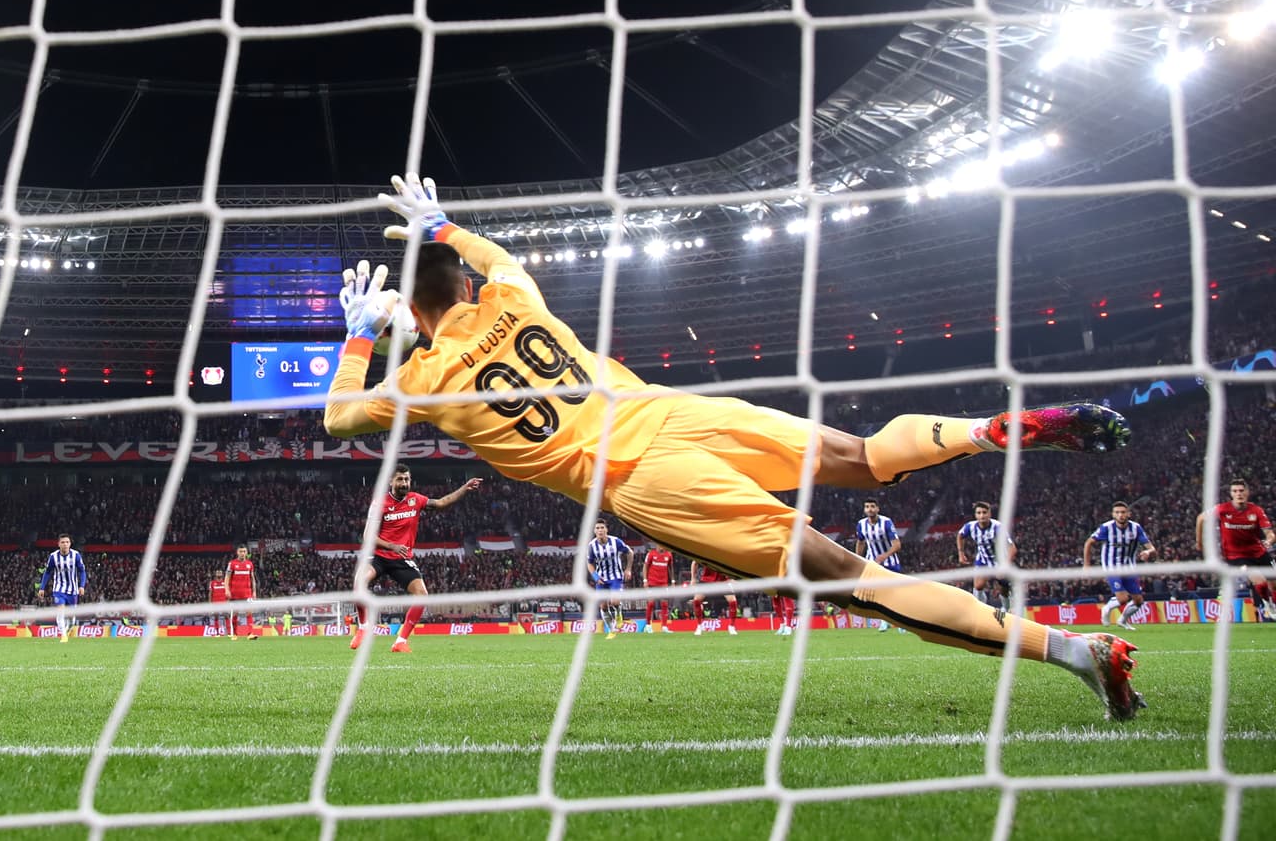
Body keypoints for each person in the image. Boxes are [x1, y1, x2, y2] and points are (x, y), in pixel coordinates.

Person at [323, 173, 1144, 720]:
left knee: (858, 579)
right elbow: (494, 257)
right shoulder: (513, 294)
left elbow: (336, 419)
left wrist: (358, 338)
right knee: (861, 455)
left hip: (646, 479)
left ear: (411, 324)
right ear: (465, 286)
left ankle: (1079, 650)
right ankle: (982, 431)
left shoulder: (421, 383)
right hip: (675, 411)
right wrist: (444, 227)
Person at [348, 464, 483, 653]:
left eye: (406, 479)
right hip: (378, 555)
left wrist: (465, 488)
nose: (404, 483)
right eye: (400, 479)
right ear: (391, 481)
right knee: (359, 582)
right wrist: (392, 545)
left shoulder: (415, 500)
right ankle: (363, 629)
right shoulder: (380, 503)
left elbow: (441, 503)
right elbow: (368, 535)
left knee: (422, 595)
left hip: (401, 559)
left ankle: (400, 641)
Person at [1196, 479, 1276, 621]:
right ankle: (1268, 604)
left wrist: (1269, 540)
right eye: (1235, 491)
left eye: (1241, 490)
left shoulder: (1256, 511)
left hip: (1258, 552)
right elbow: (1201, 518)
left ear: (1247, 492)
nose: (1238, 494)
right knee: (1261, 582)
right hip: (1236, 557)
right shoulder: (1222, 509)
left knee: (1273, 584)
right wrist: (1199, 542)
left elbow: (1270, 533)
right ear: (1231, 493)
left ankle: (1272, 602)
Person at [1084, 501, 1157, 630]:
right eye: (1117, 512)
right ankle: (1106, 608)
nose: (1120, 515)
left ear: (1129, 514)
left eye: (1123, 512)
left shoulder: (1136, 528)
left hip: (1129, 567)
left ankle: (1122, 620)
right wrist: (1087, 564)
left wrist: (1148, 551)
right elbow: (1089, 542)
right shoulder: (1106, 528)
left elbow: (1152, 548)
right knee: (1123, 598)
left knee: (1138, 601)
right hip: (1111, 567)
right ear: (1113, 514)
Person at [854, 499, 903, 633]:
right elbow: (861, 542)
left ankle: (900, 623)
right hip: (872, 563)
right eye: (867, 506)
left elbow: (897, 545)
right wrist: (858, 558)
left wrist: (884, 556)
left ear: (877, 509)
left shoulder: (886, 522)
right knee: (877, 592)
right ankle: (884, 621)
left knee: (895, 592)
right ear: (865, 510)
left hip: (890, 562)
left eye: (872, 506)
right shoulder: (861, 524)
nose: (870, 509)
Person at [957, 501, 1017, 609]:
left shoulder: (998, 527)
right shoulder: (970, 526)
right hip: (983, 560)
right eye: (979, 513)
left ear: (989, 514)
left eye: (984, 512)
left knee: (1003, 585)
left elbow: (1012, 548)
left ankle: (1006, 608)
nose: (982, 515)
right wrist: (961, 553)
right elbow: (960, 536)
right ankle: (981, 608)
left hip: (1000, 561)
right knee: (978, 586)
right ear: (975, 515)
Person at [585, 520, 634, 640]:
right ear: (594, 531)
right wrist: (595, 576)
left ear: (607, 530)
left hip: (615, 576)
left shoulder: (615, 541)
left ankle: (619, 614)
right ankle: (611, 630)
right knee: (603, 606)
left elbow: (630, 552)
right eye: (597, 528)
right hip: (601, 579)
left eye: (602, 527)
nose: (600, 530)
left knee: (615, 601)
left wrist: (628, 569)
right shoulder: (591, 546)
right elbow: (589, 564)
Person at [37, 533, 86, 643]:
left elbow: (82, 571)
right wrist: (42, 587)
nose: (65, 544)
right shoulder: (53, 556)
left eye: (67, 542)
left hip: (73, 591)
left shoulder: (76, 555)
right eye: (63, 542)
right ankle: (63, 635)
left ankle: (67, 630)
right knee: (61, 611)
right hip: (59, 589)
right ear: (58, 544)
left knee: (72, 618)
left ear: (70, 544)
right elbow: (48, 572)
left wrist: (82, 586)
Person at [690, 559, 739, 636]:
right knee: (696, 600)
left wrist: (733, 578)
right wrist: (693, 578)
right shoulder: (706, 551)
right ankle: (699, 626)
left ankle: (731, 626)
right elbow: (694, 562)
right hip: (707, 580)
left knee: (733, 601)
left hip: (723, 580)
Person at [225, 544, 258, 641]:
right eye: (240, 551)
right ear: (237, 552)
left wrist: (254, 591)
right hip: (235, 593)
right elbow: (227, 578)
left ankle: (250, 633)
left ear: (246, 553)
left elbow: (252, 579)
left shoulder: (250, 564)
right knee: (235, 613)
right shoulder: (232, 564)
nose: (242, 553)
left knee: (249, 612)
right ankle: (234, 634)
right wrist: (227, 589)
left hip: (247, 593)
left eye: (244, 551)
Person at [642, 544, 675, 632]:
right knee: (651, 603)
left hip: (663, 584)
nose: (661, 547)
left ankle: (664, 626)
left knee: (664, 604)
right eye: (660, 545)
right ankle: (648, 625)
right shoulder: (651, 554)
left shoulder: (669, 555)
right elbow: (645, 566)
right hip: (652, 583)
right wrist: (645, 580)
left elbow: (671, 568)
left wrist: (672, 581)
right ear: (656, 545)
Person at [209, 569, 228, 637]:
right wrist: (210, 603)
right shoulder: (212, 583)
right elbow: (210, 593)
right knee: (216, 617)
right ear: (215, 574)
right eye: (218, 572)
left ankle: (228, 633)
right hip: (215, 603)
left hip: (224, 603)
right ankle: (217, 633)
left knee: (226, 616)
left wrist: (228, 601)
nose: (219, 573)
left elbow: (227, 592)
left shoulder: (225, 582)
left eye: (220, 572)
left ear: (222, 574)